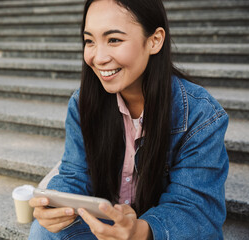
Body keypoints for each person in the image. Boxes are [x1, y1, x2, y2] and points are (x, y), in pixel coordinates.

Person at [28, 0, 229, 239]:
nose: (98, 57)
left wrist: (140, 232)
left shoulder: (200, 114)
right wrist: (54, 205)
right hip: (107, 222)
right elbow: (75, 174)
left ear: (154, 40)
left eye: (114, 39)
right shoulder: (83, 102)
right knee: (43, 230)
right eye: (90, 41)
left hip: (158, 231)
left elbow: (197, 210)